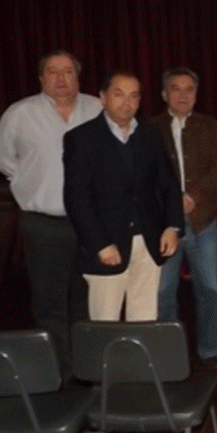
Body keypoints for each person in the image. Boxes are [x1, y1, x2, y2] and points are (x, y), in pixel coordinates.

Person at [0, 50, 102, 378]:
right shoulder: (19, 113)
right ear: (41, 79)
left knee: (88, 301)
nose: (60, 78)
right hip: (43, 224)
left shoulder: (98, 109)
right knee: (49, 303)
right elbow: (3, 160)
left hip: (91, 225)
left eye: (67, 71)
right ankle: (59, 374)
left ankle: (88, 370)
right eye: (52, 72)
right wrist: (32, 181)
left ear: (78, 76)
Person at [63, 70, 182, 321]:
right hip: (107, 246)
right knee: (105, 324)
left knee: (145, 320)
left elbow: (169, 185)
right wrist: (99, 244)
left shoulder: (150, 134)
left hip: (148, 242)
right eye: (118, 94)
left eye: (134, 95)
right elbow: (77, 199)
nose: (126, 102)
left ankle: (137, 363)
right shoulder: (81, 138)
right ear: (103, 97)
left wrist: (173, 226)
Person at [152, 67, 217, 368]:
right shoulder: (149, 128)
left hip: (203, 221)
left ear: (196, 95)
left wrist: (193, 197)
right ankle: (170, 354)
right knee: (163, 292)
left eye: (189, 89)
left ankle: (210, 351)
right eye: (175, 88)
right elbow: (146, 177)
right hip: (164, 226)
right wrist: (173, 201)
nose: (182, 95)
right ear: (164, 94)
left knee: (209, 289)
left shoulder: (211, 127)